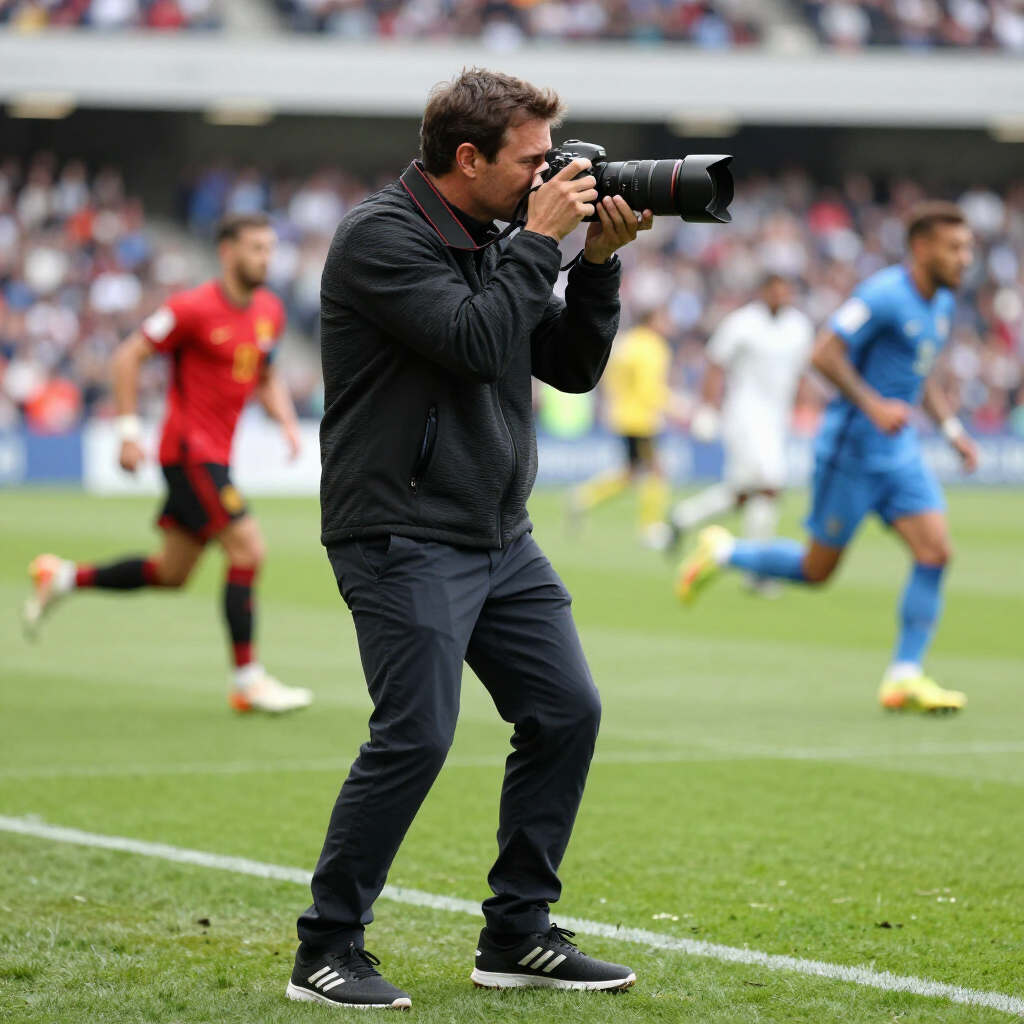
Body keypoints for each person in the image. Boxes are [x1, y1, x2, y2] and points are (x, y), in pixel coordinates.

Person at [287, 69, 653, 1010]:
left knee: (567, 710)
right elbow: (475, 342)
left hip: (499, 532)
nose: (551, 176)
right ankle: (328, 946)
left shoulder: (498, 235)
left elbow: (565, 368)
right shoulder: (380, 237)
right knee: (416, 734)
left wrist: (598, 266)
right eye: (533, 162)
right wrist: (539, 242)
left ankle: (518, 934)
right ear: (467, 158)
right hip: (401, 529)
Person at [675, 202, 979, 712]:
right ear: (922, 248)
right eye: (955, 248)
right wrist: (873, 404)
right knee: (817, 571)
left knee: (936, 553)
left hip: (899, 453)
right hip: (852, 451)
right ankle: (725, 552)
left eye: (968, 248)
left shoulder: (942, 304)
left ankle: (903, 677)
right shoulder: (883, 295)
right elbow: (824, 353)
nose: (966, 258)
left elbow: (919, 373)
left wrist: (951, 428)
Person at [23, 213, 313, 716]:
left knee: (171, 573)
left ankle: (63, 578)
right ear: (227, 253)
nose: (266, 258)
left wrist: (287, 422)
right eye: (255, 249)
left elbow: (264, 375)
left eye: (270, 249)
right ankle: (248, 680)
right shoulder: (192, 307)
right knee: (248, 552)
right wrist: (129, 432)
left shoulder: (269, 310)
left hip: (216, 455)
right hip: (188, 452)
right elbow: (125, 358)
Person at [669, 275, 814, 593]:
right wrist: (707, 409)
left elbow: (801, 373)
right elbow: (716, 364)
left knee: (745, 493)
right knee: (771, 481)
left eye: (786, 288)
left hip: (777, 419)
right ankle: (757, 572)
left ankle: (683, 517)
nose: (781, 293)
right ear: (763, 291)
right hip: (745, 415)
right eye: (775, 287)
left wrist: (807, 408)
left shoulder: (799, 327)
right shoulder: (742, 323)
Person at [568, 306, 673, 548]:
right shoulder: (652, 347)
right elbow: (650, 391)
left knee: (632, 472)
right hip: (642, 418)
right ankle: (649, 527)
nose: (669, 323)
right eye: (664, 318)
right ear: (652, 319)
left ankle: (584, 497)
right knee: (656, 471)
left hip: (622, 415)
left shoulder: (626, 343)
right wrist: (679, 409)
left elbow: (609, 377)